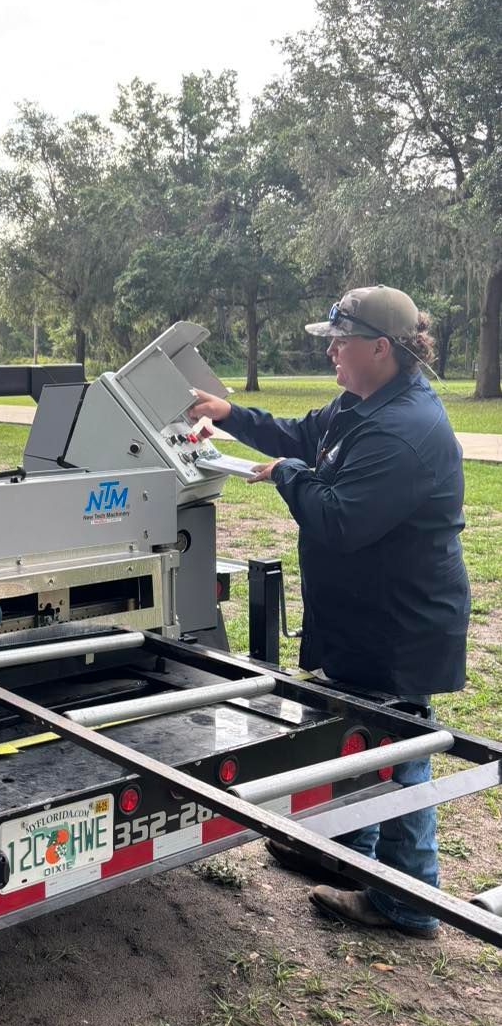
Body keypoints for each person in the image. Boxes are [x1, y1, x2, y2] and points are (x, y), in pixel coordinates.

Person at [187, 285, 470, 940]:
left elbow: (338, 521)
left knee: (398, 749)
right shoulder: (364, 404)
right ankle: (349, 857)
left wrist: (288, 474)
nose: (329, 354)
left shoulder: (404, 433)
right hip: (366, 619)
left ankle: (405, 902)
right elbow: (300, 433)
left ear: (380, 348)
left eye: (339, 343)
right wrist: (228, 412)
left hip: (396, 626)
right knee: (363, 740)